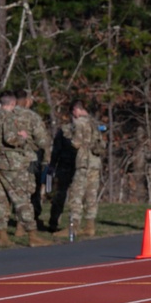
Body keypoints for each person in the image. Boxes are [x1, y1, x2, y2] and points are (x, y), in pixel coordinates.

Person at [0, 91, 49, 247]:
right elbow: (10, 139)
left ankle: (2, 236)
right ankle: (32, 235)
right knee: (21, 199)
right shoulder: (9, 118)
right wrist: (23, 137)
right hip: (11, 163)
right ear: (12, 104)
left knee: (0, 200)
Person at [55, 100, 104, 239]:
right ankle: (90, 226)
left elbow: (76, 143)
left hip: (83, 163)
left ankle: (73, 227)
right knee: (91, 196)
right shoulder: (95, 123)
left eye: (73, 112)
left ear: (76, 110)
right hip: (95, 163)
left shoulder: (79, 123)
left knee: (76, 195)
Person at [14, 90, 52, 234]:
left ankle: (6, 224)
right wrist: (46, 156)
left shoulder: (5, 115)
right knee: (30, 191)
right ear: (26, 100)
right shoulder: (31, 116)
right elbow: (42, 140)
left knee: (12, 191)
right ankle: (26, 222)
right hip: (29, 158)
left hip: (8, 159)